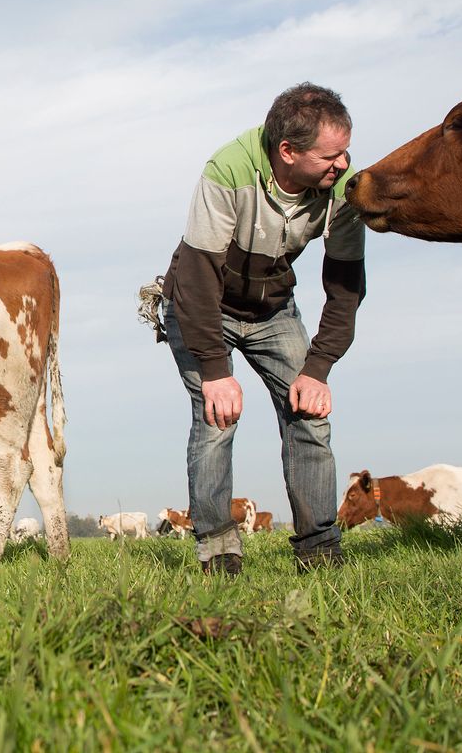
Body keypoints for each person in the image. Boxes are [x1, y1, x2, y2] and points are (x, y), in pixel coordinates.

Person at [156, 82, 365, 575]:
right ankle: (219, 552)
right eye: (330, 156)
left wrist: (318, 368)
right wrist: (214, 370)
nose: (342, 164)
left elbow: (345, 285)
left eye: (345, 152)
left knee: (309, 414)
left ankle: (319, 550)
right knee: (217, 418)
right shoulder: (228, 171)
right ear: (287, 151)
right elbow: (198, 276)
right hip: (202, 305)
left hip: (272, 310)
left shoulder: (345, 188)